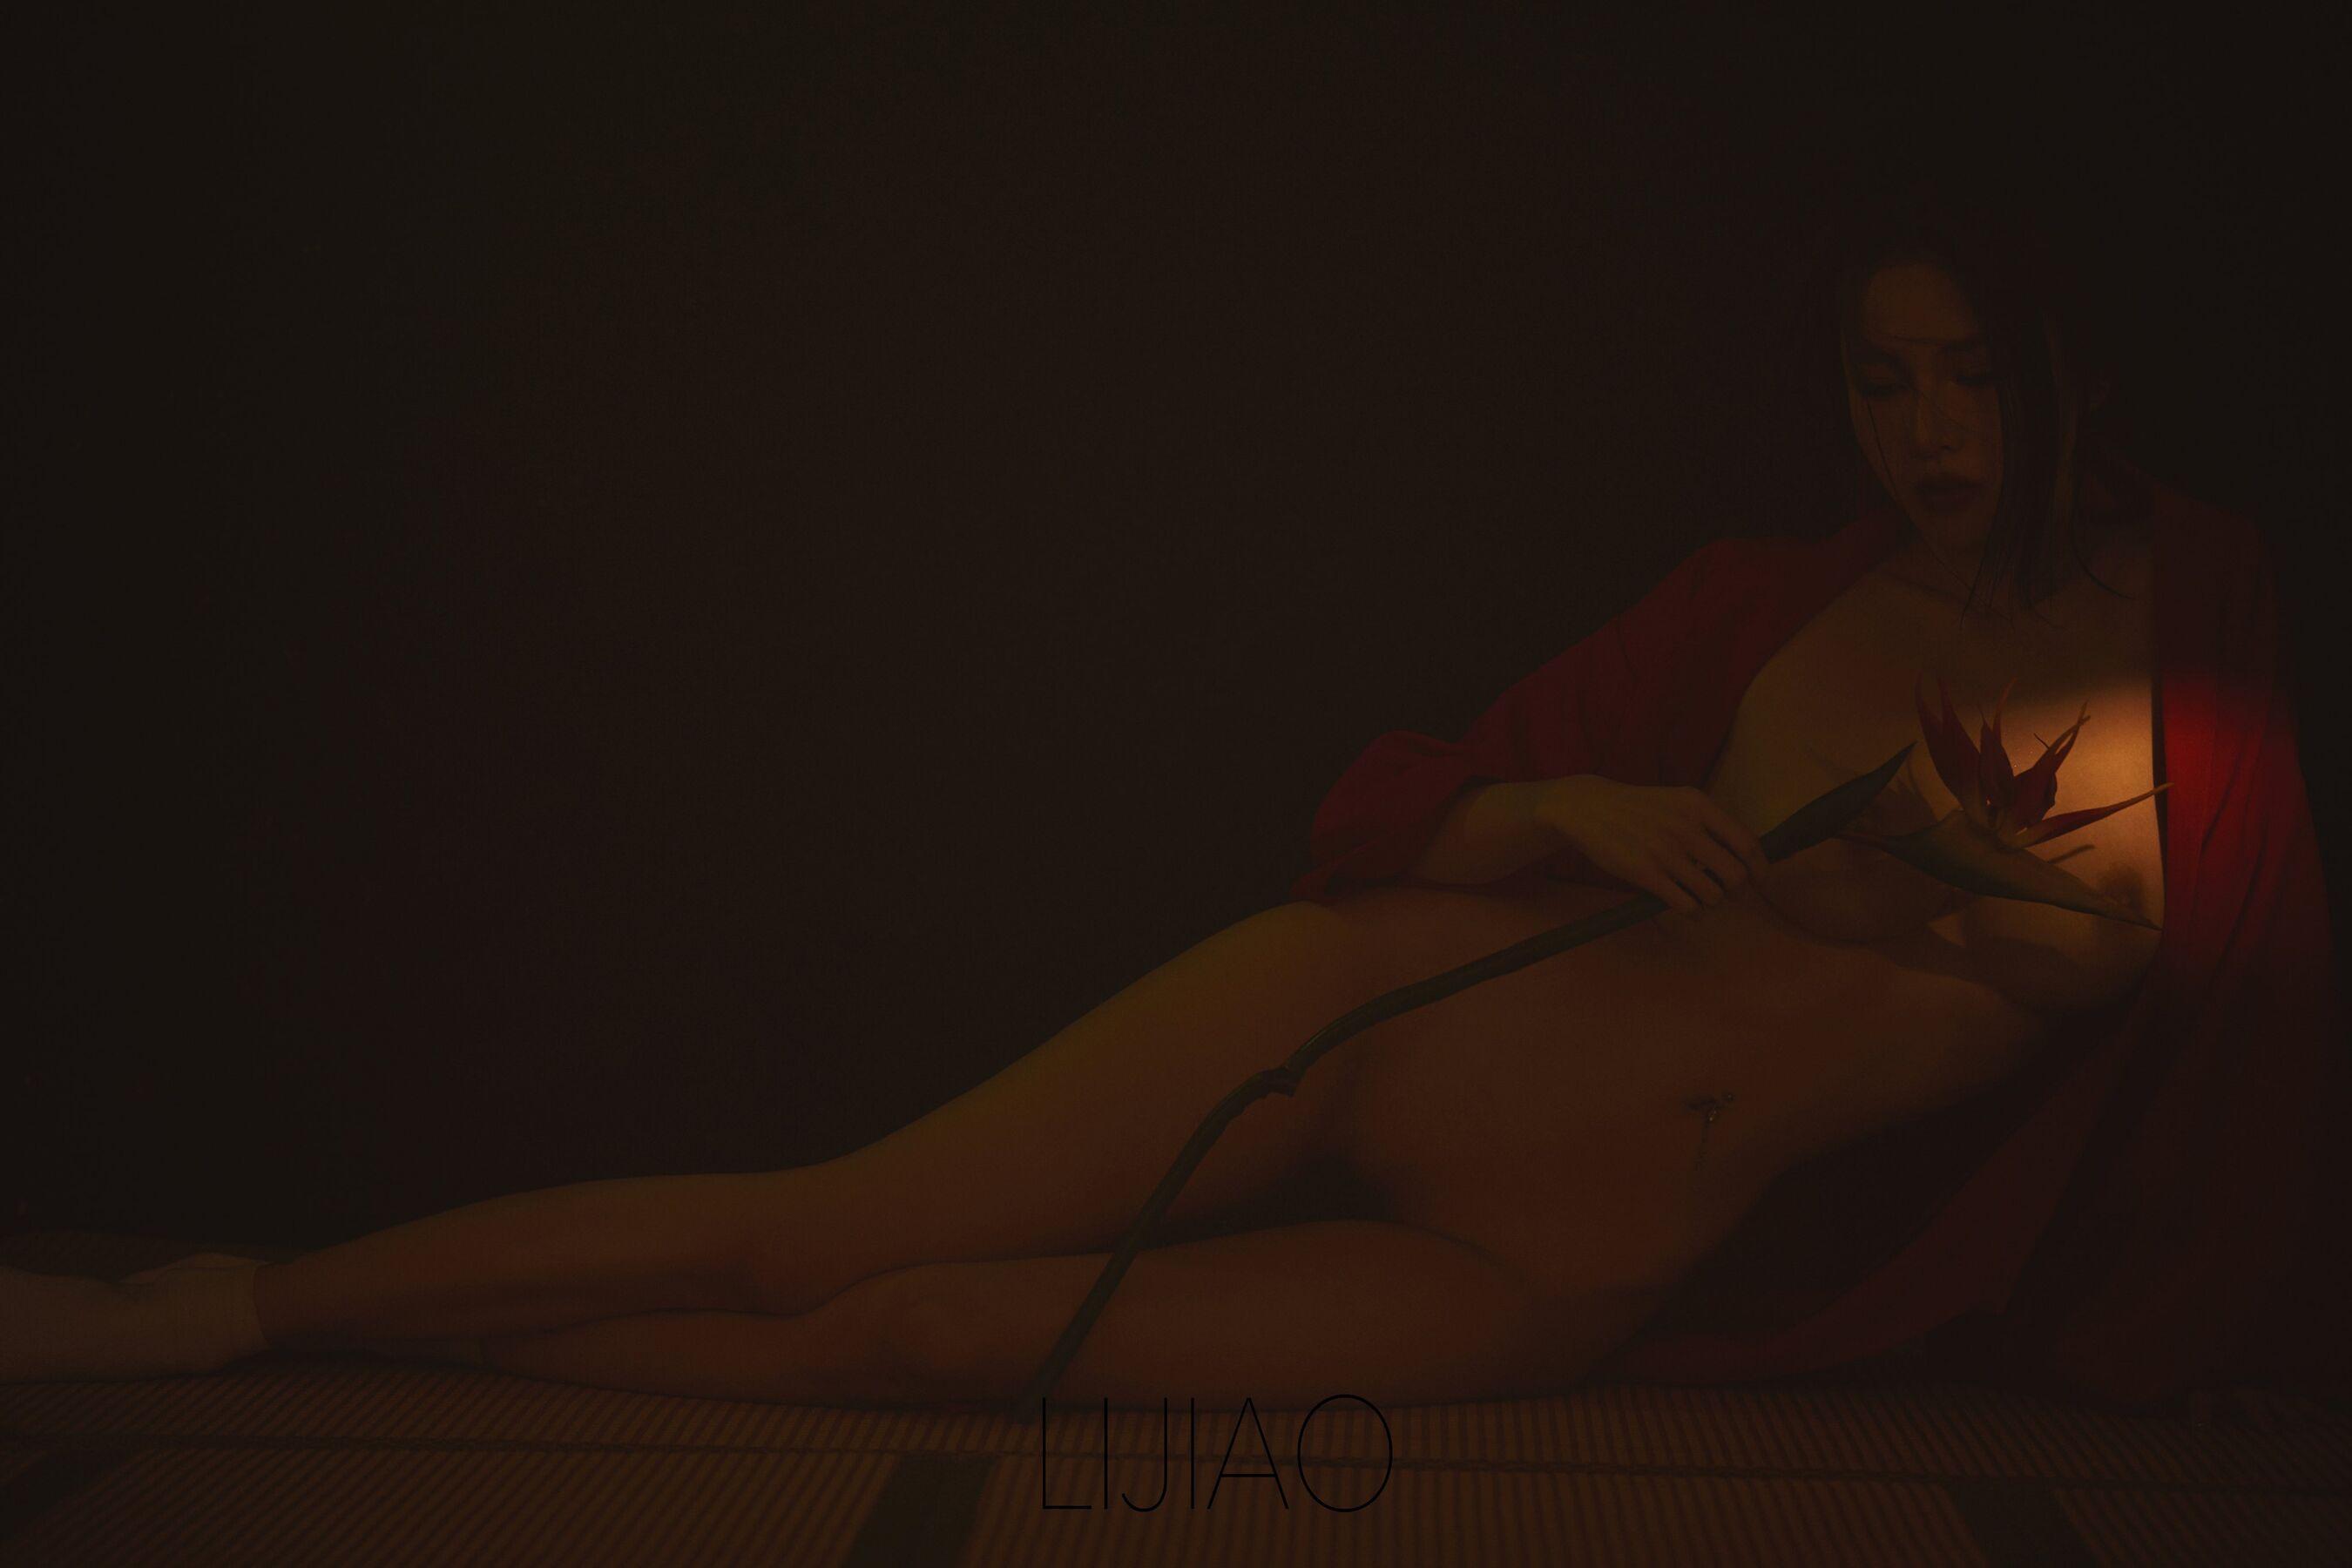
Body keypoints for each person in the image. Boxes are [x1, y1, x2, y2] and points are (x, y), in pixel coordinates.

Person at [4, 172, 2338, 1415]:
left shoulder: (2195, 640)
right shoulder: (1773, 600)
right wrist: (1568, 820)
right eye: (1878, 383)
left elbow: (2201, 995)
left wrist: (1959, 891)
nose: (1922, 433)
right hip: (1398, 1017)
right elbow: (1418, 797)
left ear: (2065, 367)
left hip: (1556, 1259)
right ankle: (233, 1316)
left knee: (916, 1344)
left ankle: (377, 1350)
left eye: (1966, 378)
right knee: (817, 1234)